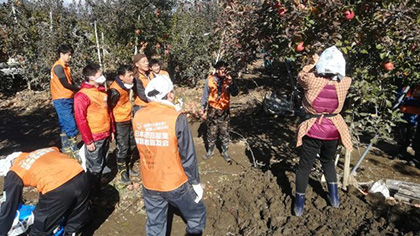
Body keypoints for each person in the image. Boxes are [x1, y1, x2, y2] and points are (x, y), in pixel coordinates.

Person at [133, 75, 206, 236]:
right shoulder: (176, 118)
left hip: (149, 181)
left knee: (155, 224)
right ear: (170, 94)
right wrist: (194, 183)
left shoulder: (138, 115)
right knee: (196, 213)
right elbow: (187, 156)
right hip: (174, 181)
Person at [294, 46, 353, 216]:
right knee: (328, 163)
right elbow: (343, 75)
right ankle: (334, 199)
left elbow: (301, 77)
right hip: (333, 130)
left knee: (304, 167)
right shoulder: (345, 82)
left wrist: (312, 63)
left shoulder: (312, 79)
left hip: (313, 130)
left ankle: (299, 206)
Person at [0, 147, 89, 236]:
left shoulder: (16, 171)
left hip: (57, 188)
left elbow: (8, 206)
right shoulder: (41, 151)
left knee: (41, 225)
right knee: (76, 214)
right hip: (80, 175)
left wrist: (2, 231)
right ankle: (72, 231)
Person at [74, 63, 114, 196]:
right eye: (99, 75)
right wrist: (88, 140)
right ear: (91, 78)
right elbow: (81, 119)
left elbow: (108, 111)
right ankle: (91, 193)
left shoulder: (101, 91)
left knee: (103, 161)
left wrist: (112, 130)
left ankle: (98, 188)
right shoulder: (82, 96)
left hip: (105, 133)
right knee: (94, 167)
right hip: (94, 136)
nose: (102, 77)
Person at [200, 61, 239, 163]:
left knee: (225, 132)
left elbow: (235, 93)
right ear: (217, 70)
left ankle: (225, 152)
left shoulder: (228, 80)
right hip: (212, 110)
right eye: (221, 69)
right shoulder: (210, 79)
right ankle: (210, 151)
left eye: (225, 69)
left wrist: (231, 83)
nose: (223, 71)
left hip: (224, 111)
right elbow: (205, 94)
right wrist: (202, 108)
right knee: (211, 132)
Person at [108, 65, 139, 184]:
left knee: (132, 144)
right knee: (122, 147)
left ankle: (128, 166)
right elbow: (109, 108)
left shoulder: (126, 86)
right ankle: (122, 171)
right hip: (119, 121)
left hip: (127, 118)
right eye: (129, 76)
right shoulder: (115, 90)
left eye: (132, 75)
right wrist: (111, 127)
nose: (132, 78)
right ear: (121, 77)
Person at [50, 44, 80, 158]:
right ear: (61, 54)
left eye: (71, 55)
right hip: (61, 99)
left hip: (67, 98)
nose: (70, 57)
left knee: (64, 124)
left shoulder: (65, 67)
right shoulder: (58, 67)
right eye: (68, 55)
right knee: (70, 124)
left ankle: (65, 147)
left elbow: (70, 82)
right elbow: (65, 84)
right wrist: (79, 88)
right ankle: (73, 150)